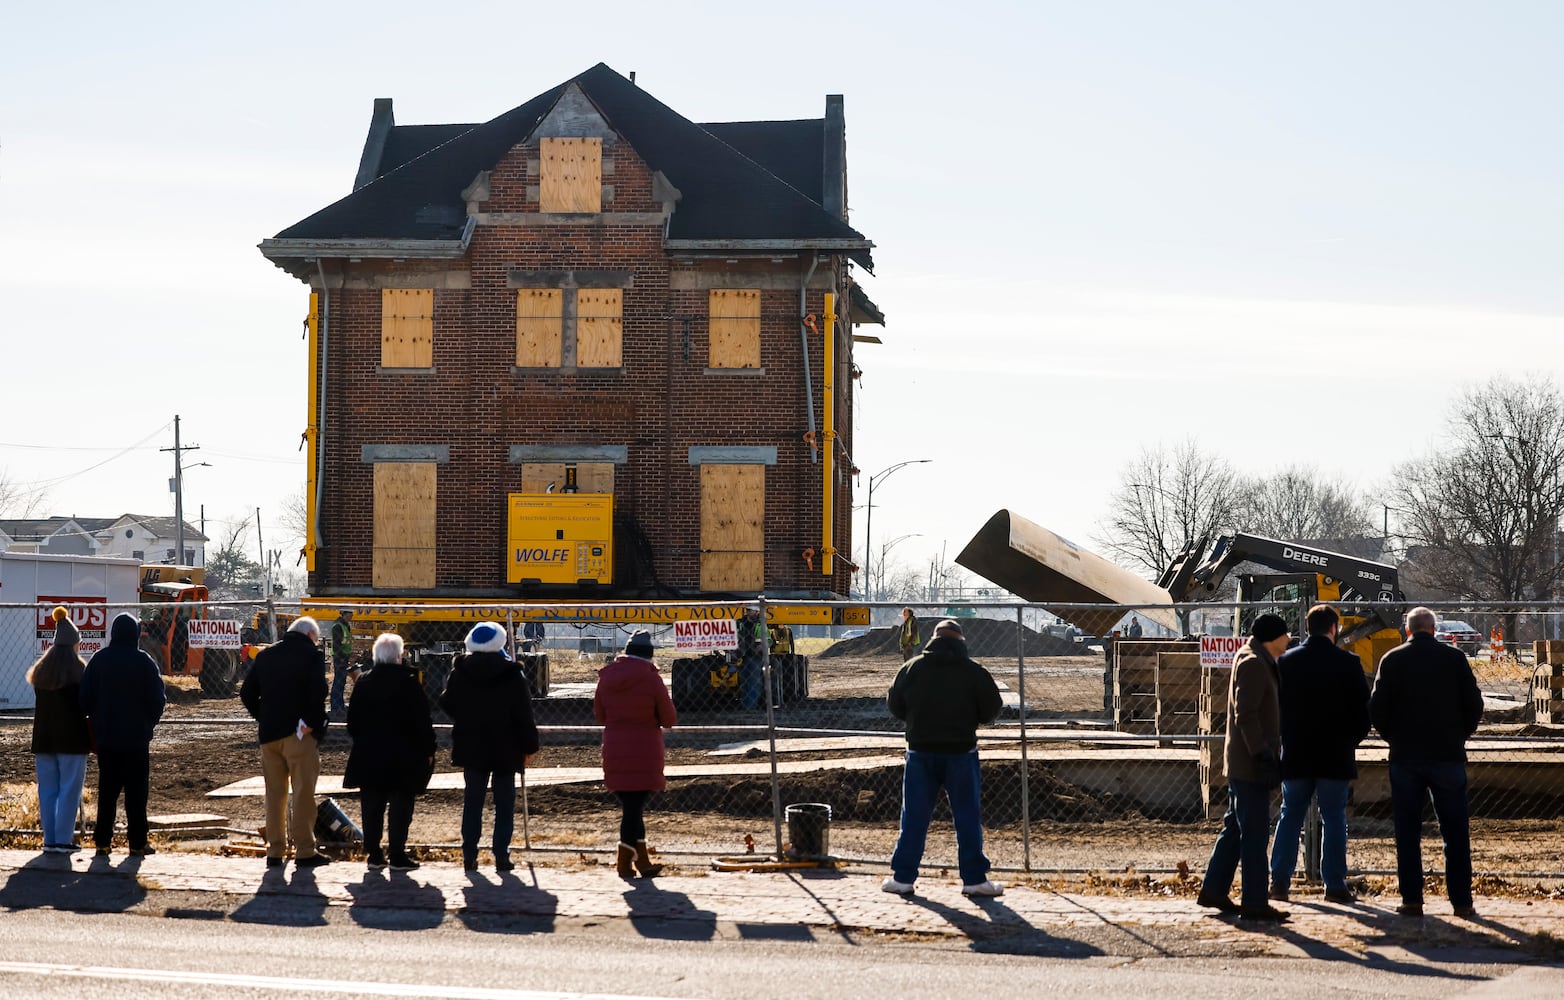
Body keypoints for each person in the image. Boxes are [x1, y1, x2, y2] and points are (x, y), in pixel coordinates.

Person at [1370, 606, 1484, 918]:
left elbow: (1377, 708)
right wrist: (1461, 735)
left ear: (1408, 630)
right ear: (1434, 629)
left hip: (1406, 757)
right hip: (1447, 755)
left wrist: (1393, 737)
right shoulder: (1454, 659)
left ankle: (1412, 900)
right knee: (1455, 832)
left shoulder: (1392, 660)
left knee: (1407, 832)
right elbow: (1474, 704)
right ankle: (1462, 901)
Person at [882, 618, 1005, 897]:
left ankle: (903, 878)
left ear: (932, 640)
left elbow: (895, 704)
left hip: (920, 752)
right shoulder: (974, 672)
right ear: (961, 641)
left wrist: (916, 722)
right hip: (961, 753)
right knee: (967, 816)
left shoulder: (912, 668)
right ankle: (974, 880)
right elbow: (991, 710)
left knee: (913, 816)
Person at [1269, 605, 1370, 903]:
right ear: (1334, 628)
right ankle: (1335, 884)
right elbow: (1364, 713)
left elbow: (1274, 708)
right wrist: (1350, 741)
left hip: (1297, 752)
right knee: (1335, 817)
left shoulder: (1285, 662)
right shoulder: (1349, 663)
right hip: (1335, 754)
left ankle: (1280, 882)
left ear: (1307, 627)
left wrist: (1283, 739)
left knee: (1290, 815)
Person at [1197, 612, 1290, 922]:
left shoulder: (1254, 657)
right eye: (1285, 635)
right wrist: (1263, 755)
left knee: (1235, 829)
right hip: (1250, 764)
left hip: (1244, 762)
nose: (1289, 640)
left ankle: (1214, 890)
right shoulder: (1253, 662)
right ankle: (1254, 902)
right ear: (1273, 638)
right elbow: (1245, 714)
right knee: (1254, 834)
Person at [440, 621, 539, 872]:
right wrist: (529, 746)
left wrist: (466, 717)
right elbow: (524, 714)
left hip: (472, 744)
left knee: (472, 800)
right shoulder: (512, 674)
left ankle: (469, 854)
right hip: (507, 746)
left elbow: (447, 702)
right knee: (504, 803)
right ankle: (501, 855)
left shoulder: (460, 671)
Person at [240, 616, 331, 869]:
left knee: (275, 794)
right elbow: (318, 692)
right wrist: (312, 722)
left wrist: (264, 717)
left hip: (269, 736)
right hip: (298, 734)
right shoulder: (312, 656)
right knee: (302, 792)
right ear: (311, 636)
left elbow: (246, 693)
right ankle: (304, 850)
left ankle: (275, 850)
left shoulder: (266, 656)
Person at [344, 633, 436, 872]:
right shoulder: (409, 682)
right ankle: (397, 854)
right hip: (403, 756)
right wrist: (428, 749)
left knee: (371, 805)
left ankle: (373, 854)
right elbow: (422, 721)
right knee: (401, 806)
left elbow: (352, 722)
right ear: (398, 656)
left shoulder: (363, 682)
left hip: (369, 754)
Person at [80, 612, 166, 858]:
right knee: (137, 793)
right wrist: (148, 724)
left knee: (107, 791)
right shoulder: (144, 661)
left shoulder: (99, 660)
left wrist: (97, 720)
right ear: (136, 635)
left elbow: (84, 699)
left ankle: (102, 842)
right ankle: (137, 843)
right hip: (136, 739)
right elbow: (158, 700)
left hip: (107, 738)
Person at [595, 630, 678, 878]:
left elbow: (600, 716)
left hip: (615, 749)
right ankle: (624, 863)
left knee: (632, 808)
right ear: (649, 655)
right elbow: (669, 719)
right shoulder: (652, 679)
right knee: (633, 810)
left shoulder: (607, 677)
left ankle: (642, 861)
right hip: (644, 750)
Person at [28, 607, 92, 853]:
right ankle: (64, 840)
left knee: (48, 789)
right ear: (74, 644)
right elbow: (86, 703)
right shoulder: (79, 670)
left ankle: (50, 839)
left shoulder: (42, 671)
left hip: (43, 739)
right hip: (72, 741)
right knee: (69, 790)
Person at [737, 607, 768, 710]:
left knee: (754, 682)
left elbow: (769, 640)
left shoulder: (760, 624)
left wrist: (761, 645)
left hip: (756, 657)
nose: (753, 613)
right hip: (742, 656)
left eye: (754, 611)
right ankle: (745, 704)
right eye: (751, 611)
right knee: (744, 682)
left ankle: (751, 706)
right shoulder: (740, 623)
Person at [330, 608, 355, 718]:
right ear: (345, 614)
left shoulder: (346, 626)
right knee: (338, 683)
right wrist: (340, 659)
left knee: (342, 683)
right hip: (339, 658)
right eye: (350, 613)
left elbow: (346, 643)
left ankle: (339, 705)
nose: (352, 616)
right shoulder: (338, 626)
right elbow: (337, 645)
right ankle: (336, 707)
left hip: (344, 658)